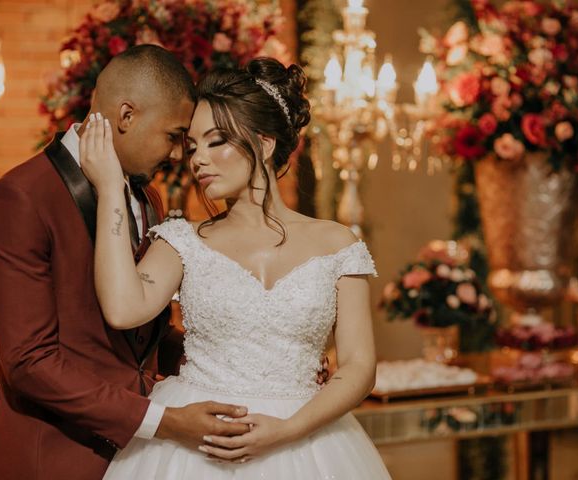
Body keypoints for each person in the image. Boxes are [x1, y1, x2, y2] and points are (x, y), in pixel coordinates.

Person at [80, 57, 391, 479]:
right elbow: (122, 309)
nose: (197, 160)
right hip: (194, 451)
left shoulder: (338, 244)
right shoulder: (183, 241)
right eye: (192, 146)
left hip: (309, 446)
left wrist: (286, 430)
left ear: (264, 145)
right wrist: (111, 190)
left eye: (216, 141)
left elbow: (359, 366)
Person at [0, 45, 251, 480]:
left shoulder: (145, 195)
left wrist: (252, 355)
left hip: (137, 458)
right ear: (127, 116)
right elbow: (30, 363)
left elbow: (140, 337)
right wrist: (164, 422)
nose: (179, 156)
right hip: (54, 456)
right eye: (174, 136)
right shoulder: (20, 198)